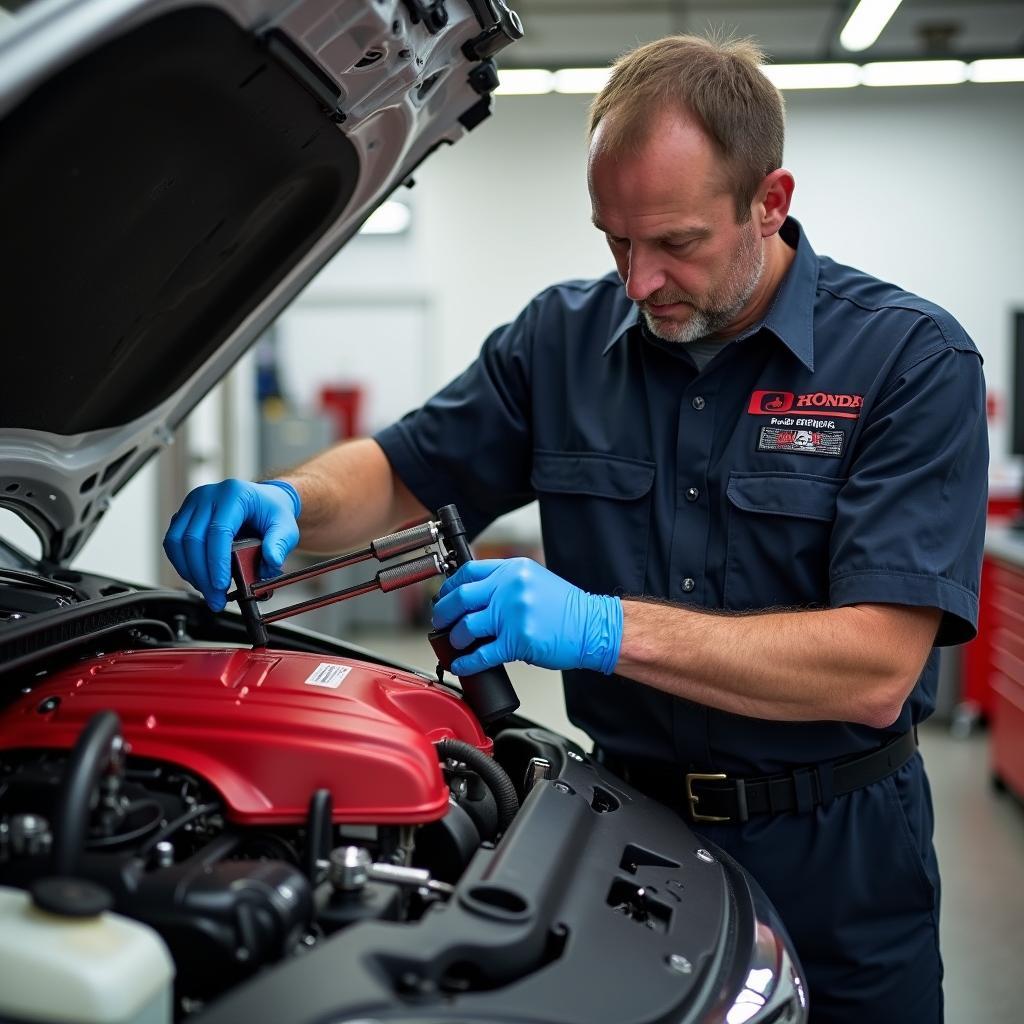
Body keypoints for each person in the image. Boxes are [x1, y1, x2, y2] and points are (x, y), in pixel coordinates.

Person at [164, 35, 987, 1024]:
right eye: (613, 240)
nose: (637, 282)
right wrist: (290, 498)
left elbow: (874, 668)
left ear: (768, 201)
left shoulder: (909, 361)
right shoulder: (558, 341)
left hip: (837, 853)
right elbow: (402, 472)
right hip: (625, 833)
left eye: (676, 242)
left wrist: (600, 627)